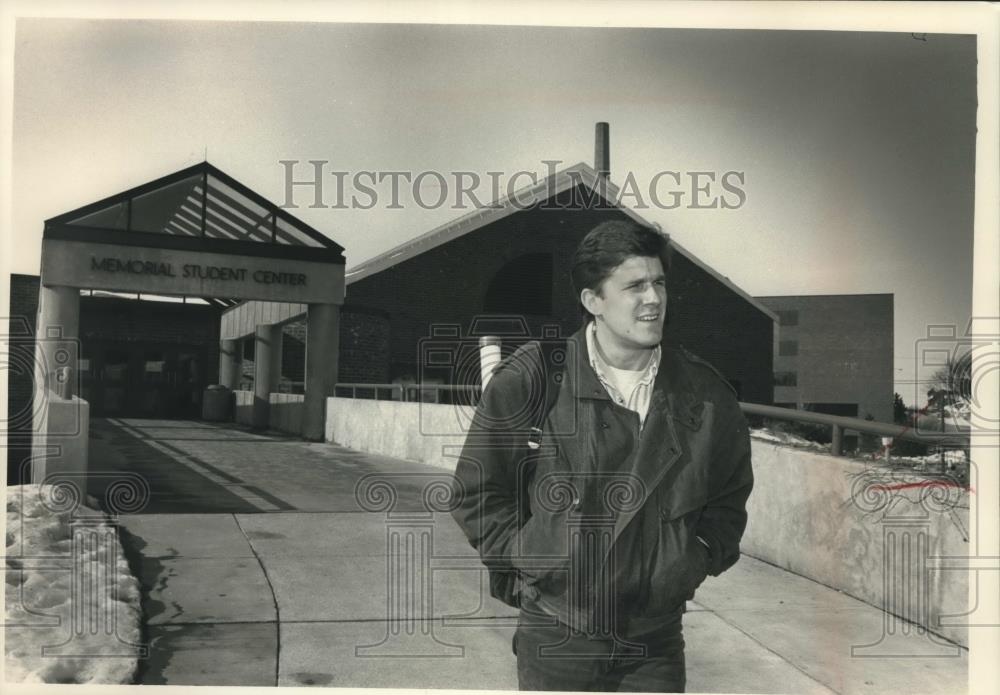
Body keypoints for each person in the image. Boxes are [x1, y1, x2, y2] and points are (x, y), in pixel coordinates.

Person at [450, 219, 754, 692]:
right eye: (634, 286)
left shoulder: (706, 393)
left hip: (655, 642)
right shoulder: (533, 379)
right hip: (557, 633)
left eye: (658, 283)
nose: (653, 299)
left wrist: (693, 559)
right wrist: (530, 556)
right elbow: (476, 490)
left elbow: (730, 498)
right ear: (593, 301)